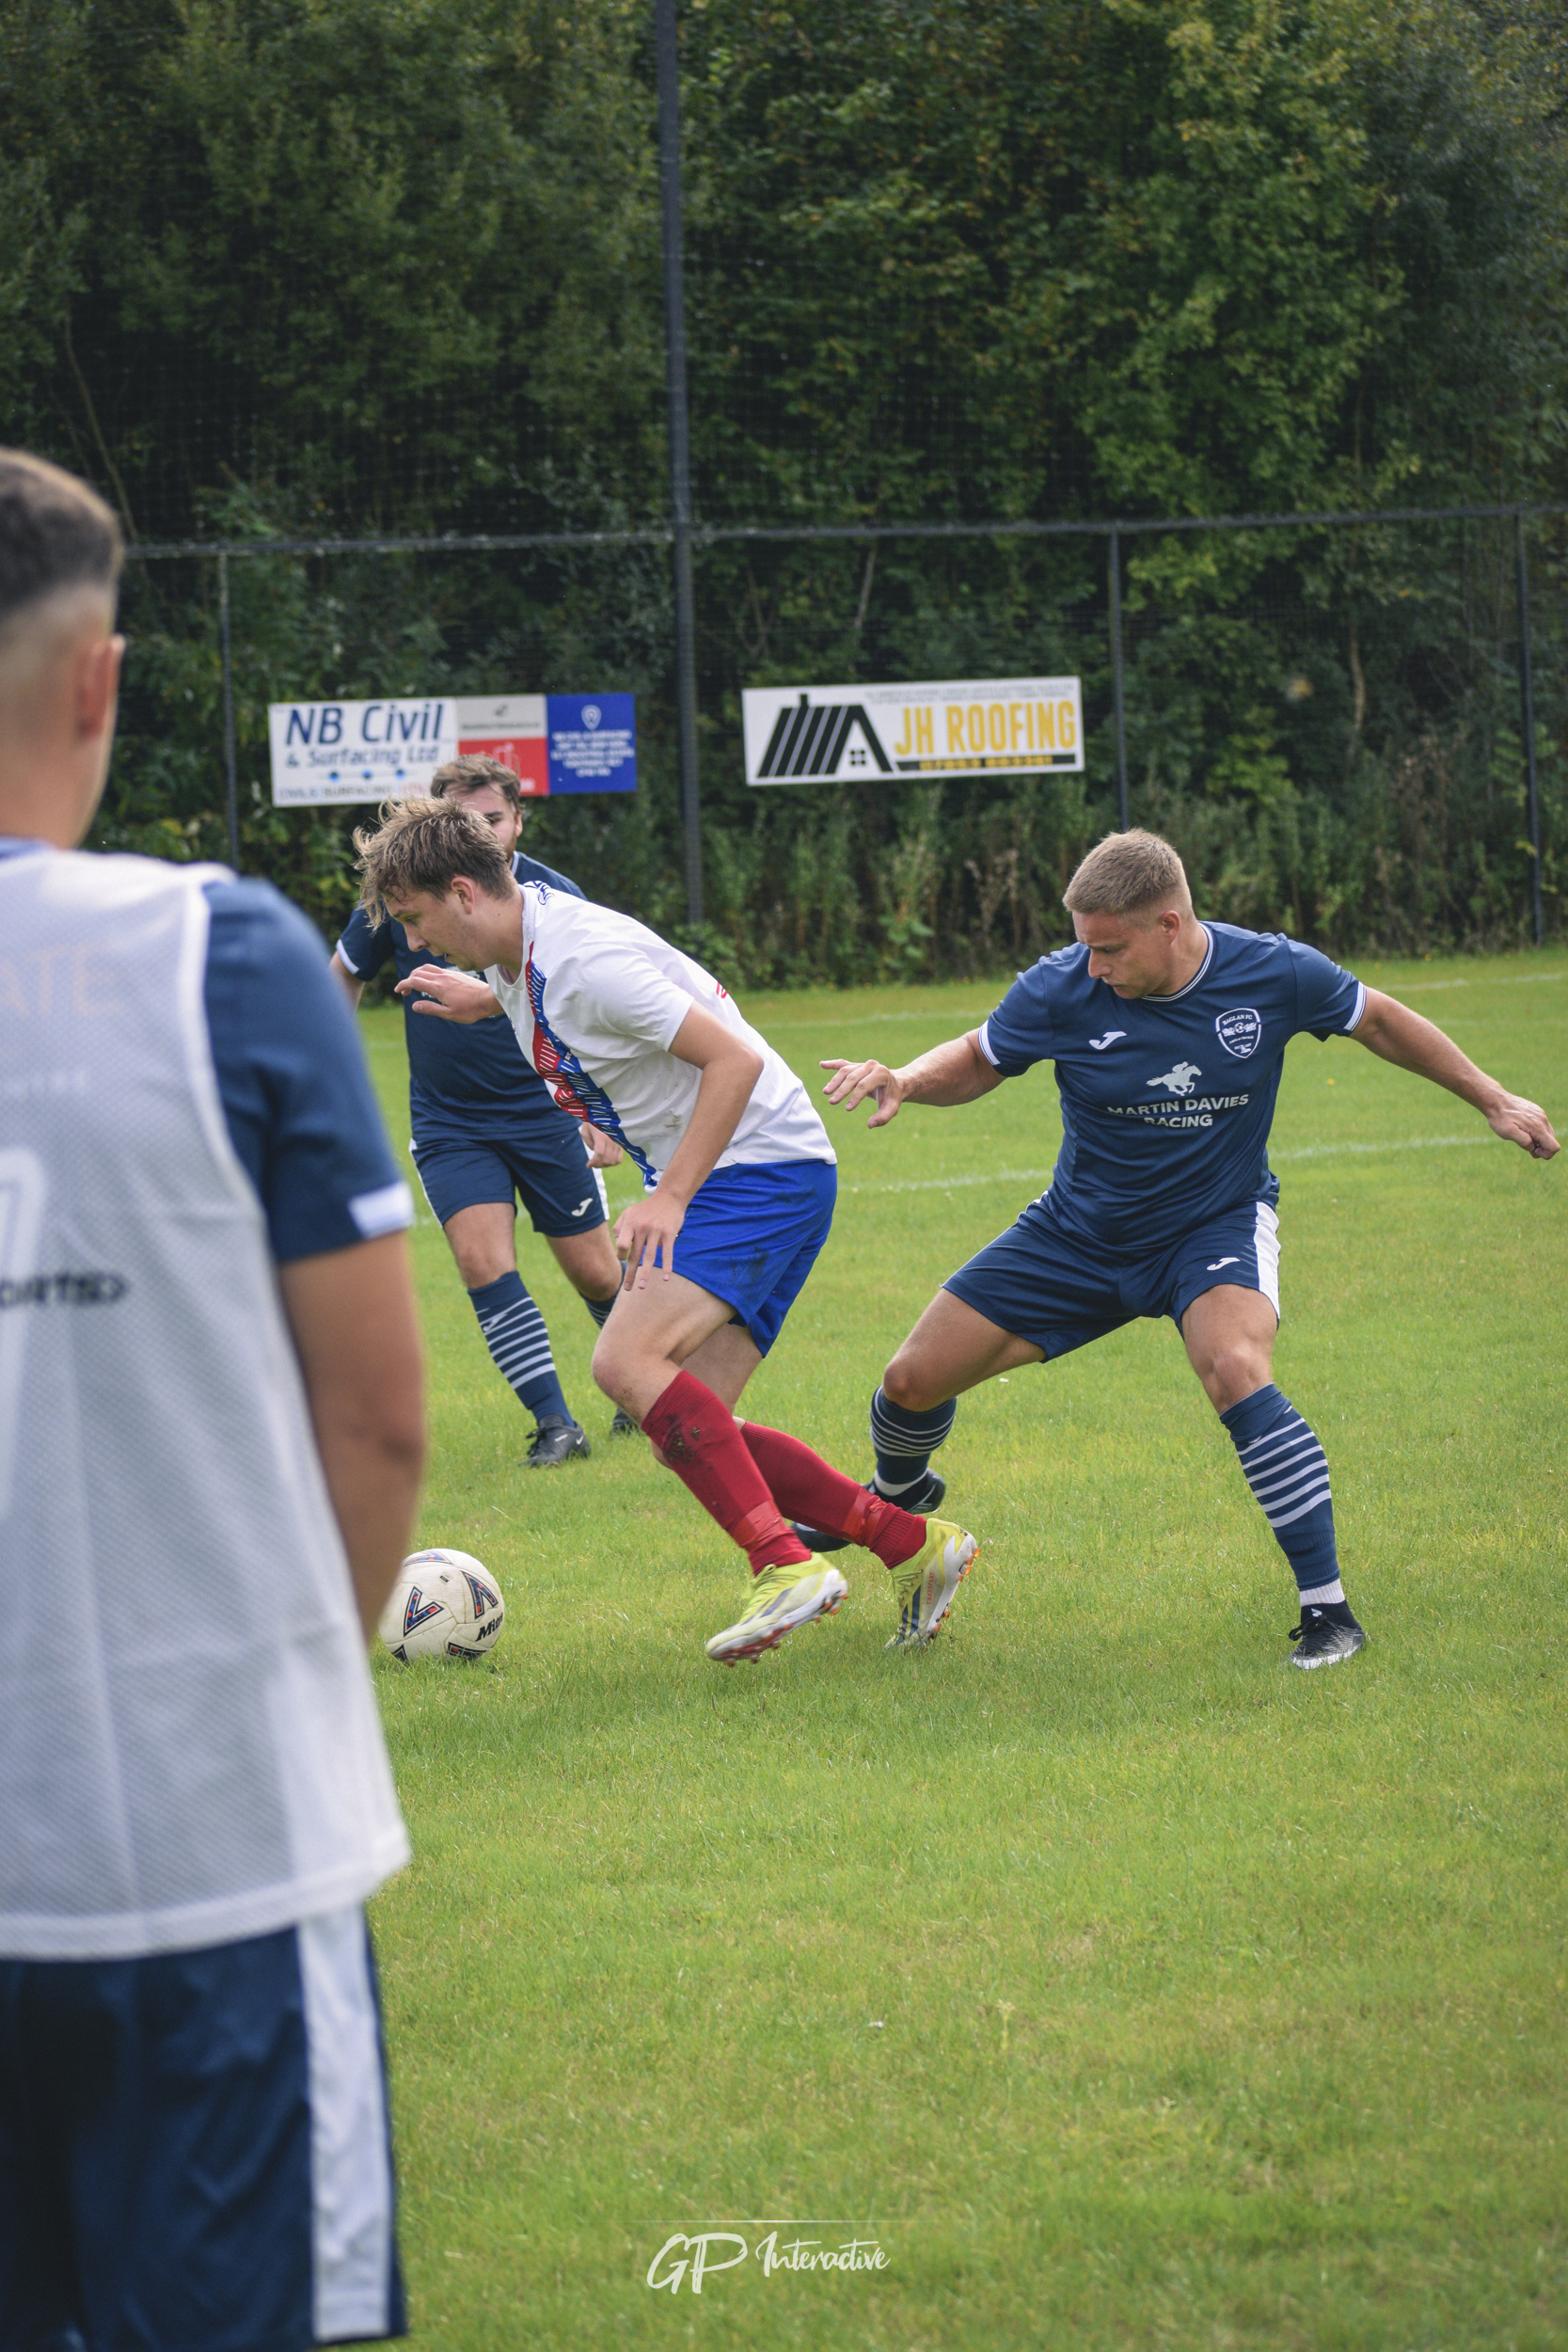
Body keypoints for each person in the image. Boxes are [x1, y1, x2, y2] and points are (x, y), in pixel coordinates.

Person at [0, 449, 426, 2346]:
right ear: (100, 682)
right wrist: (273, 1696)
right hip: (214, 1862)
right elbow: (381, 1424)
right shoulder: (228, 958)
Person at [816, 828, 1559, 1669]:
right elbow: (981, 1059)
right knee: (909, 1383)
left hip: (1213, 1226)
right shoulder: (1062, 985)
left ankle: (1327, 1613)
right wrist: (908, 1080)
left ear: (1169, 924)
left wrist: (1492, 1098)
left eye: (1109, 947)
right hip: (1077, 1232)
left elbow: (1380, 1021)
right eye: (1083, 946)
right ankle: (901, 1495)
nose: (1092, 965)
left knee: (1235, 1367)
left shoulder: (1274, 972)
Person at [352, 794, 980, 1662]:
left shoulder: (579, 958)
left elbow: (735, 1058)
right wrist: (486, 1004)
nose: (414, 941)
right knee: (691, 1424)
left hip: (753, 1172)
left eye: (416, 919)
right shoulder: (522, 950)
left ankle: (784, 1565)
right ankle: (916, 1546)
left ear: (462, 892)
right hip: (767, 1170)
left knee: (622, 1361)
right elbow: (573, 1011)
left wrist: (670, 1197)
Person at [333, 754, 626, 1468]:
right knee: (480, 1260)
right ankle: (554, 1423)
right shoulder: (404, 896)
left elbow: (591, 1008)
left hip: (545, 1112)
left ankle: (641, 1386)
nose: (482, 832)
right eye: (465, 820)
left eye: (492, 818)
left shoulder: (554, 898)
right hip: (450, 1121)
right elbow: (342, 975)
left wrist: (596, 1110)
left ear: (518, 820)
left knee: (593, 1272)